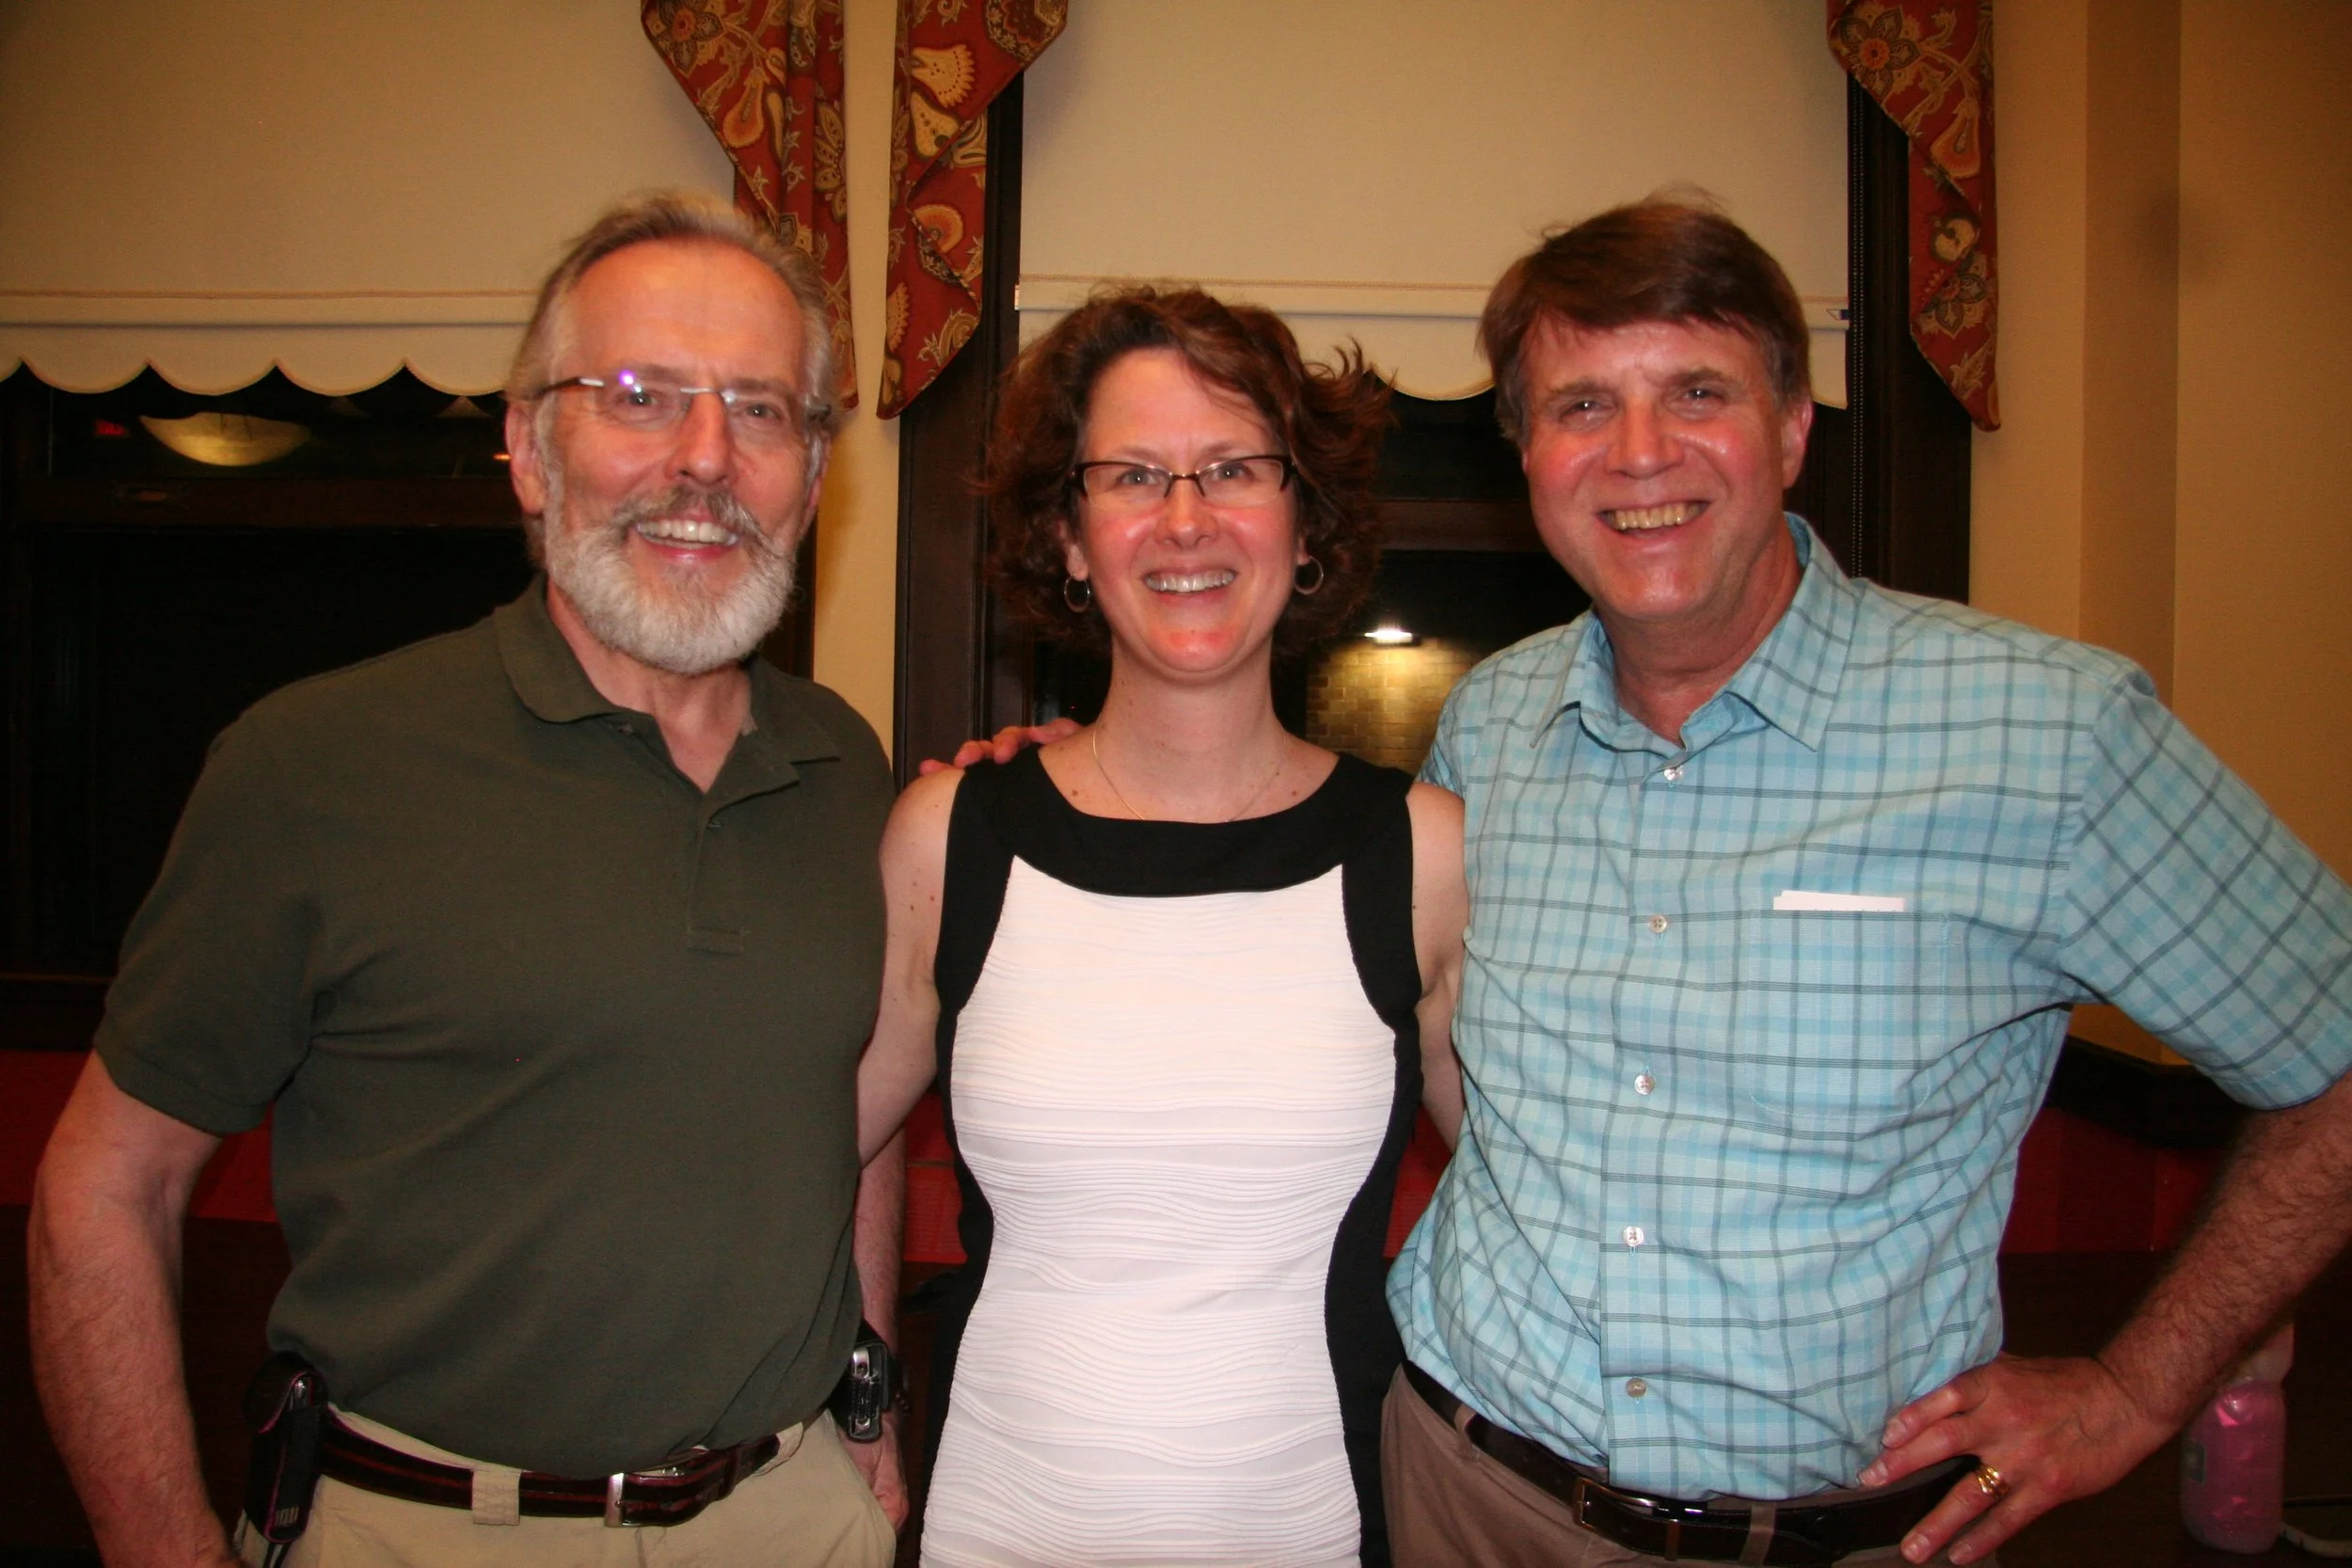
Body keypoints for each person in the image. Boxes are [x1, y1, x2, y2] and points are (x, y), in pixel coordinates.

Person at [1375, 201, 2352, 1567]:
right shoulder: (1492, 721)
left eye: (1696, 391)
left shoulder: (2046, 737)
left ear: (1790, 429)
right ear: (1528, 454)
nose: (1638, 452)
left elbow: (2337, 1058)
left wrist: (2138, 1391)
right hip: (1467, 1490)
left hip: (1843, 1536)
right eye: (1582, 401)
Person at [27, 191, 903, 1568]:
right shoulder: (315, 764)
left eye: (761, 409)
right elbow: (105, 1186)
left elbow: (848, 1113)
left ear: (813, 467)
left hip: (789, 1519)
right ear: (528, 450)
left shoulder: (851, 774)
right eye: (638, 393)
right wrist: (163, 1545)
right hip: (423, 1527)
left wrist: (870, 1399)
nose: (705, 457)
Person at [857, 288, 1468, 1567]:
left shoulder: (1421, 852)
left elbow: (1543, 1185)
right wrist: (861, 1385)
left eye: (1234, 468)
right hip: (991, 1535)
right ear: (1070, 536)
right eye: (1133, 474)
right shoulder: (947, 835)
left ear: (1305, 522)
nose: (1185, 519)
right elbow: (824, 1137)